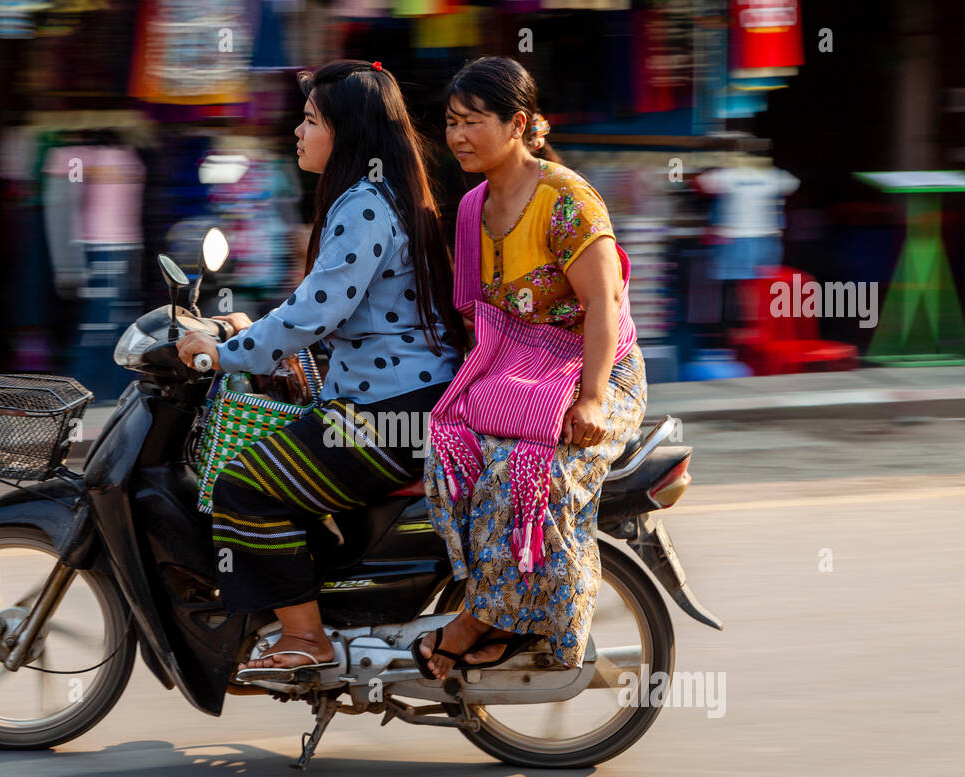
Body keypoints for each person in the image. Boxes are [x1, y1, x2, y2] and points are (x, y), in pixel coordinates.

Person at [177, 60, 467, 679]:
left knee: (241, 484)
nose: (296, 132)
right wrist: (243, 329)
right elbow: (327, 308)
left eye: (310, 120)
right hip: (399, 401)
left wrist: (224, 353)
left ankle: (306, 639)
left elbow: (313, 314)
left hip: (389, 413)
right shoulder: (380, 196)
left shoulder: (363, 205)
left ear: (348, 133)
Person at [414, 56, 648, 680]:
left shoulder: (567, 200)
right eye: (451, 122)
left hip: (596, 373)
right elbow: (477, 316)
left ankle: (483, 622)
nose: (457, 136)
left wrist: (593, 400)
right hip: (521, 377)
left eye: (472, 121)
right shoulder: (470, 210)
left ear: (518, 123)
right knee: (448, 446)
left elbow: (604, 302)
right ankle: (501, 613)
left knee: (528, 474)